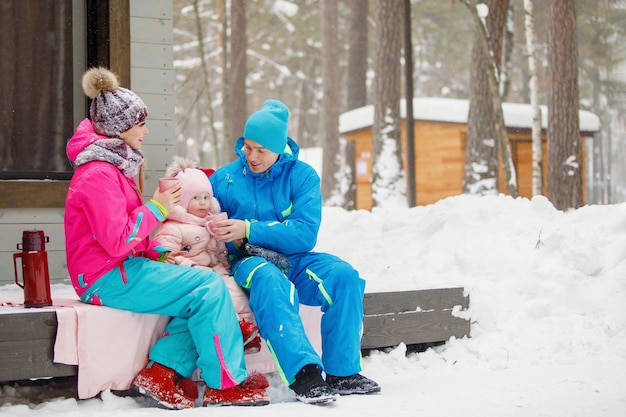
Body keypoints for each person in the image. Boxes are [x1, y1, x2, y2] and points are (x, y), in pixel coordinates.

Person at [63, 67, 269, 410]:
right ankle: (225, 384)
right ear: (121, 129)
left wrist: (158, 252)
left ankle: (162, 372)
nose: (146, 130)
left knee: (200, 290)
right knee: (207, 287)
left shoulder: (112, 166)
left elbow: (126, 231)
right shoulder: (98, 174)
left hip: (119, 269)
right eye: (141, 123)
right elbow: (116, 240)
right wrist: (158, 208)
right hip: (105, 277)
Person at [209, 99, 381, 405]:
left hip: (295, 258)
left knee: (344, 276)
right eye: (248, 147)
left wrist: (248, 228)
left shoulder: (303, 177)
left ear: (280, 147)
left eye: (261, 150)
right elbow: (201, 221)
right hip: (249, 261)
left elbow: (304, 233)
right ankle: (305, 374)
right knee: (269, 279)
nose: (252, 156)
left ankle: (343, 373)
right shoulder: (225, 178)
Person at [153, 157, 261, 354]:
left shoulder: (210, 224)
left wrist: (224, 269)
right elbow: (166, 256)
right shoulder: (174, 227)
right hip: (192, 277)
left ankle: (247, 330)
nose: (202, 203)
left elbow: (219, 254)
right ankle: (236, 328)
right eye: (195, 198)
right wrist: (191, 268)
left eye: (206, 197)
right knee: (221, 298)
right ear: (183, 201)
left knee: (237, 293)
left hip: (215, 273)